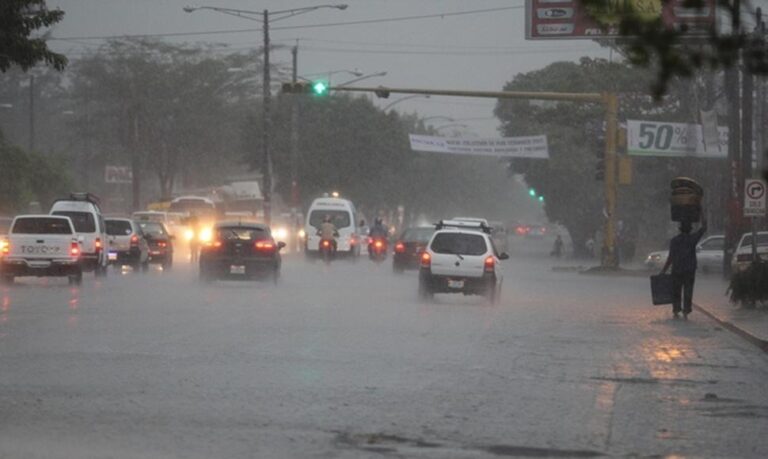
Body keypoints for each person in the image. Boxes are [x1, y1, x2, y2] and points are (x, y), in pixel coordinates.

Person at [661, 214, 708, 319]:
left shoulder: (674, 241)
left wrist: (663, 270)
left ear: (680, 229)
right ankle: (686, 310)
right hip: (689, 270)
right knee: (688, 290)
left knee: (676, 290)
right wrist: (703, 216)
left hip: (677, 269)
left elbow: (670, 257)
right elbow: (703, 229)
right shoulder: (692, 239)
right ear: (689, 230)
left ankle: (676, 309)